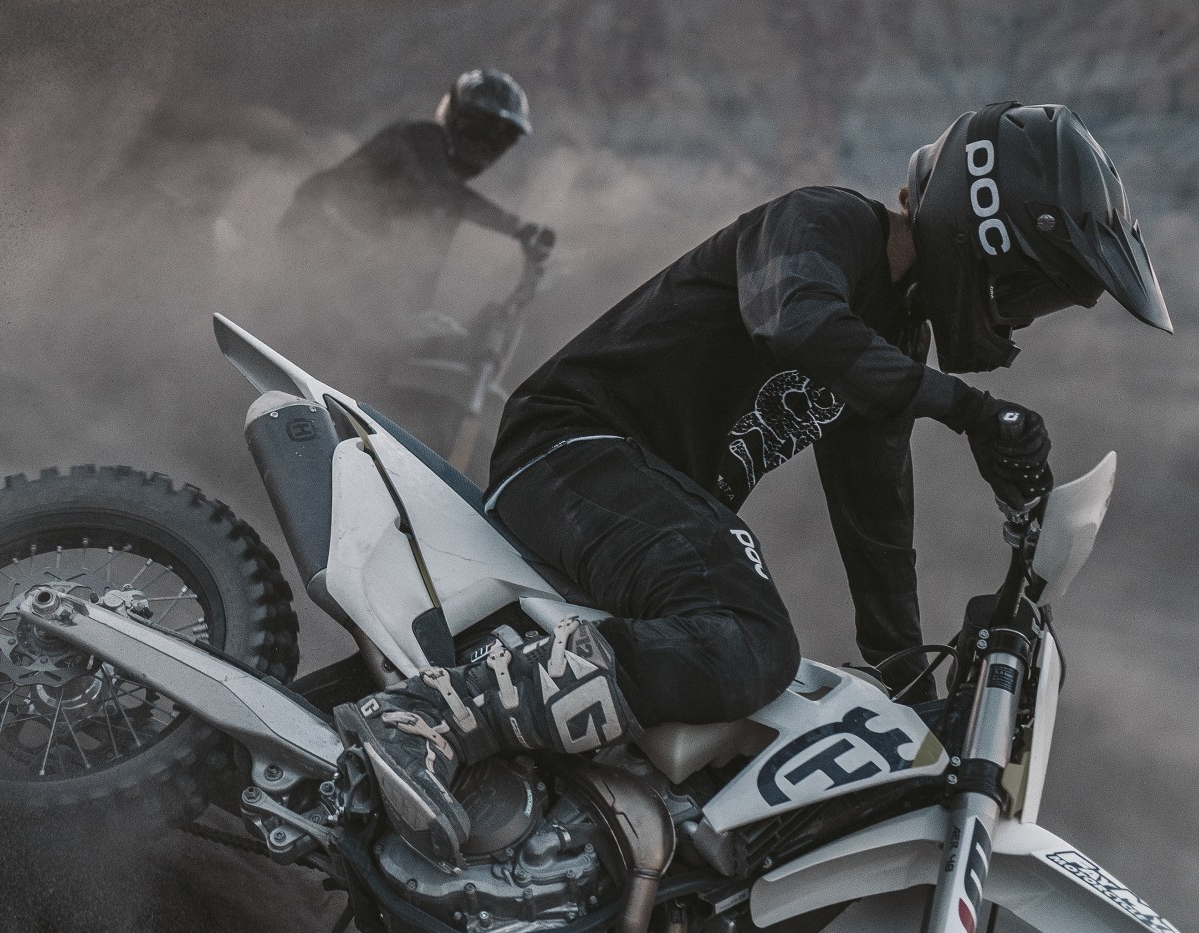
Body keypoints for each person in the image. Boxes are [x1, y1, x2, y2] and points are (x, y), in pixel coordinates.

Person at [335, 102, 1171, 865]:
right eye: (1028, 288)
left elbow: (876, 525)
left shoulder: (893, 338)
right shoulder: (828, 221)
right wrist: (971, 410)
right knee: (748, 637)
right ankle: (427, 716)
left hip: (638, 499)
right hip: (572, 448)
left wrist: (912, 690)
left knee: (736, 736)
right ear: (984, 232)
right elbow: (793, 316)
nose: (1019, 316)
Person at [278, 67, 554, 318]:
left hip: (341, 261)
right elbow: (438, 190)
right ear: (458, 119)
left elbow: (419, 281)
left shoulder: (447, 205)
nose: (489, 146)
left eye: (503, 139)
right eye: (482, 130)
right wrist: (517, 228)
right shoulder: (421, 136)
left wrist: (417, 325)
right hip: (315, 234)